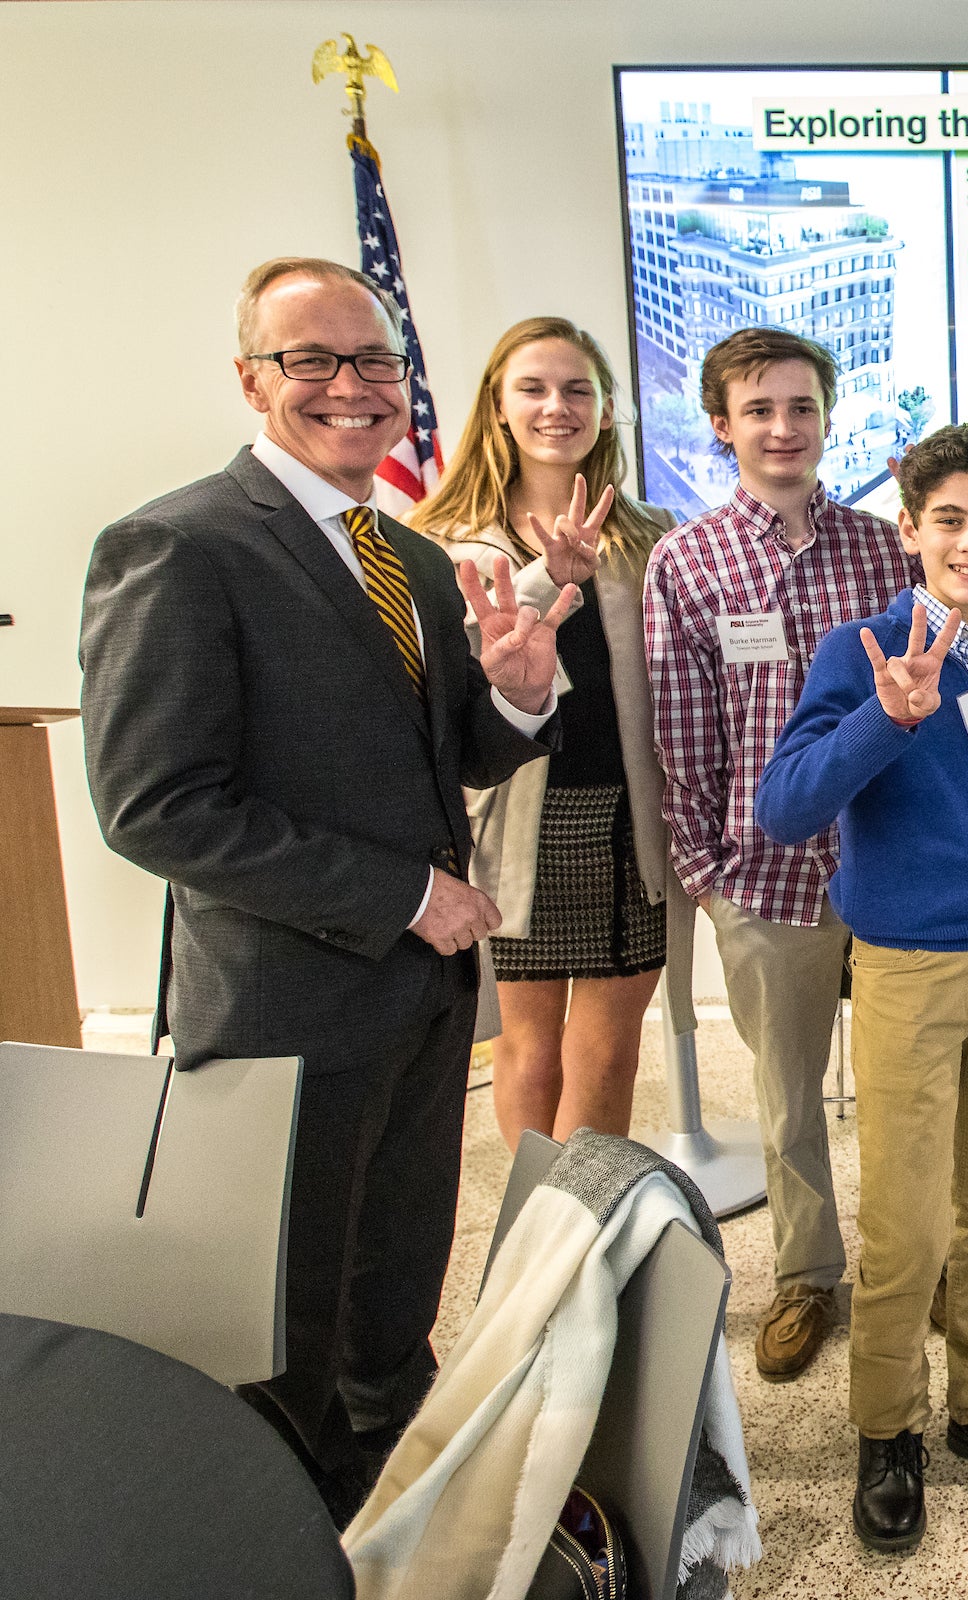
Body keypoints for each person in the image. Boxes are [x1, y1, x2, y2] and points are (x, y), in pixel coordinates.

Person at [79, 258, 572, 1518]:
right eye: (316, 361)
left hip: (415, 1006)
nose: (353, 389)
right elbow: (157, 804)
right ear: (252, 378)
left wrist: (518, 689)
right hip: (285, 1012)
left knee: (396, 1287)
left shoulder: (403, 550)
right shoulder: (176, 545)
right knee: (281, 1323)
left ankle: (390, 1505)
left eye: (377, 363)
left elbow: (451, 753)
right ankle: (273, 1531)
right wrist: (406, 894)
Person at [755, 424, 968, 1557]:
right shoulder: (860, 654)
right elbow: (788, 808)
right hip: (909, 967)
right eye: (947, 517)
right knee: (904, 1219)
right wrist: (890, 717)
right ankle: (886, 1422)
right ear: (909, 528)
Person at [645, 328, 919, 1384]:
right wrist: (707, 875)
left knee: (904, 1084)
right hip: (765, 878)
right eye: (759, 410)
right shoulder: (688, 562)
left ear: (827, 419)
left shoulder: (882, 551)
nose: (783, 428)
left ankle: (913, 1264)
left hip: (888, 865)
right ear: (722, 425)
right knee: (790, 1094)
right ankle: (806, 1276)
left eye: (802, 408)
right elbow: (683, 730)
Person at [414, 316, 683, 1149]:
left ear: (607, 411)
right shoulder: (440, 536)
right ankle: (541, 1237)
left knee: (609, 1048)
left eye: (578, 390)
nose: (556, 407)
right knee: (528, 1047)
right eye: (533, 388)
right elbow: (444, 674)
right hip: (517, 823)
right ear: (497, 406)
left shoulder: (651, 534)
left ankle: (583, 1239)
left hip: (632, 817)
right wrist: (545, 575)